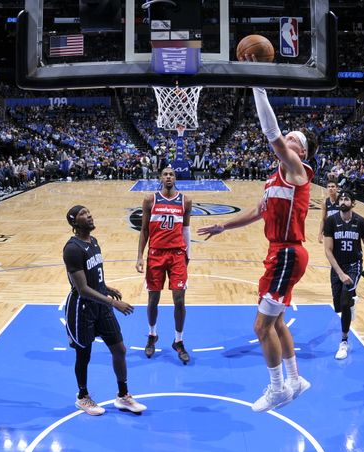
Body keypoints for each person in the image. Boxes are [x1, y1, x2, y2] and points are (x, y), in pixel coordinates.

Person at [197, 86, 314, 412]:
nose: (288, 140)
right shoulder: (274, 180)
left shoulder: (297, 171)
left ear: (301, 153)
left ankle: (277, 388)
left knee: (261, 327)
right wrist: (224, 225)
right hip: (281, 254)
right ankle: (295, 379)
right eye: (289, 138)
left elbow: (272, 134)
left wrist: (258, 89)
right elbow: (258, 211)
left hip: (289, 253)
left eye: (295, 140)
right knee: (275, 323)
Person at [63, 205, 147, 416]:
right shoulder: (72, 249)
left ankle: (123, 395)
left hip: (101, 305)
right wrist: (113, 303)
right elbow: (82, 289)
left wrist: (106, 287)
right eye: (83, 214)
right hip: (83, 308)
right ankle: (82, 397)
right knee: (84, 355)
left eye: (90, 212)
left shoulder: (94, 242)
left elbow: (93, 275)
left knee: (119, 350)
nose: (89, 215)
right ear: (74, 222)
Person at [136, 166, 193, 364]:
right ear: (160, 177)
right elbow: (144, 230)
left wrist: (188, 255)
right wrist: (139, 256)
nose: (169, 177)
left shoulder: (185, 200)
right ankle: (152, 334)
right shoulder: (150, 199)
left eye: (172, 174)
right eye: (166, 174)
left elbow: (186, 229)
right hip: (156, 254)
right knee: (153, 299)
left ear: (176, 178)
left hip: (177, 254)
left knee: (179, 299)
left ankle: (178, 340)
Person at [323, 190, 364, 360]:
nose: (343, 201)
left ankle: (344, 341)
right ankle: (352, 300)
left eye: (347, 199)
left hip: (354, 265)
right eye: (341, 198)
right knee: (339, 306)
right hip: (338, 266)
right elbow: (328, 250)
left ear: (353, 203)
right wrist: (339, 272)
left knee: (345, 303)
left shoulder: (361, 221)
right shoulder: (331, 221)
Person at [317, 176, 340, 244]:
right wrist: (320, 233)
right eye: (329, 187)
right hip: (330, 229)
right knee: (329, 251)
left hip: (340, 230)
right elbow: (323, 219)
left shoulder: (342, 200)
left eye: (333, 186)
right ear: (326, 188)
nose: (331, 188)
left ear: (337, 188)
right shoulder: (325, 202)